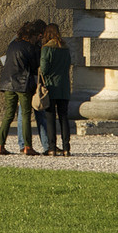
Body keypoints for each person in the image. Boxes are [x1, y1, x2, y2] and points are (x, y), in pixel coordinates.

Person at [0, 19, 45, 155]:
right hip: (23, 84)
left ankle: (1, 145)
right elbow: (36, 66)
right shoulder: (31, 47)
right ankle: (27, 146)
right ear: (35, 35)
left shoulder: (13, 44)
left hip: (7, 83)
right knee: (25, 115)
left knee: (8, 115)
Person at [34, 22, 74, 156]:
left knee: (50, 117)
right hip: (64, 87)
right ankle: (66, 147)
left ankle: (51, 147)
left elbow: (44, 69)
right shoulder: (65, 48)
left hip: (51, 87)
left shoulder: (47, 48)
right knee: (64, 117)